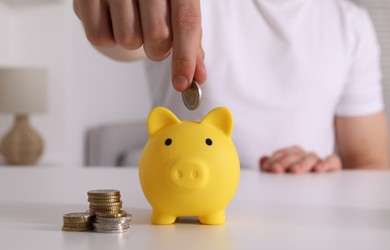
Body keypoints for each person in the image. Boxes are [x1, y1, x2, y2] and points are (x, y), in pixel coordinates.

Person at [73, 0, 389, 173]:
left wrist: (326, 171)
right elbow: (126, 38)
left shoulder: (350, 22)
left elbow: (371, 162)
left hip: (305, 208)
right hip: (187, 211)